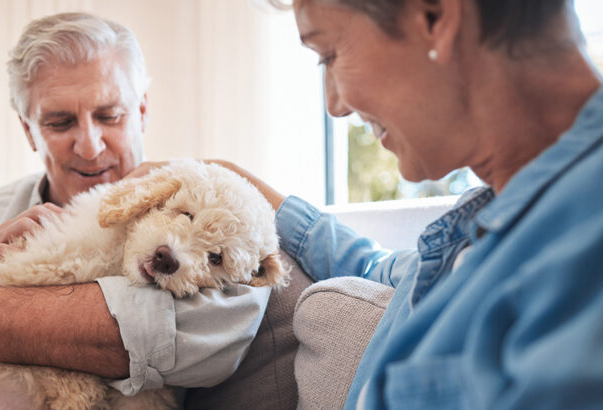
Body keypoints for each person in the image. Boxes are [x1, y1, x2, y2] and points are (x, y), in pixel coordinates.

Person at [164, 0, 602, 408]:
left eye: (329, 54)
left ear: (435, 17)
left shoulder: (580, 248)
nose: (333, 105)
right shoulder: (484, 226)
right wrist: (238, 184)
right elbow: (377, 267)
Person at [0, 12, 271, 403]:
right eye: (59, 122)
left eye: (110, 115)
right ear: (29, 131)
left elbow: (201, 335)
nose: (89, 144)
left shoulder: (214, 229)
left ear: (141, 111)